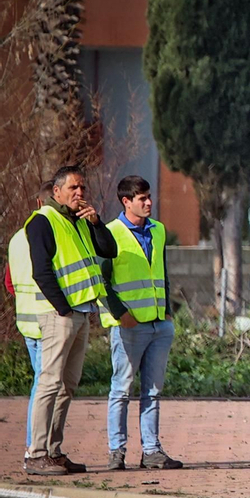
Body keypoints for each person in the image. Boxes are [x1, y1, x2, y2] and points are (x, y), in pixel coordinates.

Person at [24, 165, 116, 475]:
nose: (80, 193)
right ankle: (35, 454)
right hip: (59, 314)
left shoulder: (79, 222)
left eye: (82, 188)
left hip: (82, 312)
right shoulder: (42, 221)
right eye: (73, 188)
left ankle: (54, 450)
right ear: (57, 192)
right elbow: (41, 271)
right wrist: (62, 308)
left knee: (68, 385)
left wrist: (97, 222)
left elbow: (109, 250)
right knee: (49, 383)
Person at [101, 175, 181, 471]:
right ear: (126, 201)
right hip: (128, 326)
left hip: (159, 324)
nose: (149, 202)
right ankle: (116, 451)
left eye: (149, 197)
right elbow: (102, 280)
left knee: (153, 391)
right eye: (142, 198)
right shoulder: (110, 233)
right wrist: (120, 313)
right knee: (121, 389)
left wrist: (168, 310)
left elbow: (163, 273)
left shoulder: (158, 230)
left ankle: (152, 451)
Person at [7, 181, 52, 452]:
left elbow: (9, 283)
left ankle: (35, 444)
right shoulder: (50, 235)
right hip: (48, 322)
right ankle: (34, 445)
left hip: (26, 323)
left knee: (40, 383)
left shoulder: (17, 238)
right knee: (44, 387)